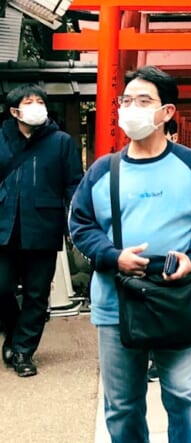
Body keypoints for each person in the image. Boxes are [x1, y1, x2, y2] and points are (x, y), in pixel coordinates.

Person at [69, 66, 191, 443]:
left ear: (166, 112)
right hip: (117, 299)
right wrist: (111, 255)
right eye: (127, 101)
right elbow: (80, 224)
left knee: (184, 398)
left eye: (143, 101)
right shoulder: (104, 170)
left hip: (178, 296)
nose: (131, 108)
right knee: (122, 405)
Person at [0, 84, 84, 377]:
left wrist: (76, 222)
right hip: (4, 226)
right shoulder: (1, 138)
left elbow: (74, 183)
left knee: (37, 293)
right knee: (1, 288)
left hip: (43, 227)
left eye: (40, 101)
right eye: (29, 101)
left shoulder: (60, 141)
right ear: (14, 111)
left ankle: (23, 350)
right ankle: (12, 333)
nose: (36, 105)